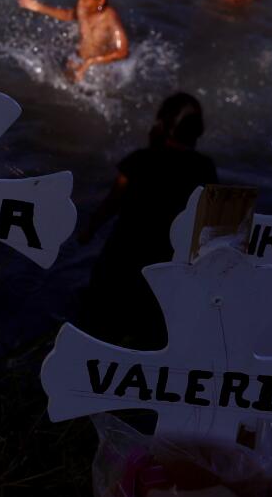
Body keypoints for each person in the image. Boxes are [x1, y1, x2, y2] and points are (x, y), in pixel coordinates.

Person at [75, 92, 218, 347]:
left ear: (161, 124)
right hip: (167, 270)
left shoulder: (138, 161)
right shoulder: (205, 169)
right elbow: (212, 226)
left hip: (121, 264)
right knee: (149, 341)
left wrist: (88, 230)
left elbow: (111, 204)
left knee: (99, 336)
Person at [17, 0, 129, 82]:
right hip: (79, 60)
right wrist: (37, 7)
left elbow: (123, 52)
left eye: (84, 0)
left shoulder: (109, 17)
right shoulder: (82, 8)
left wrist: (92, 62)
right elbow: (67, 15)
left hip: (100, 66)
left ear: (100, 1)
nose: (80, 3)